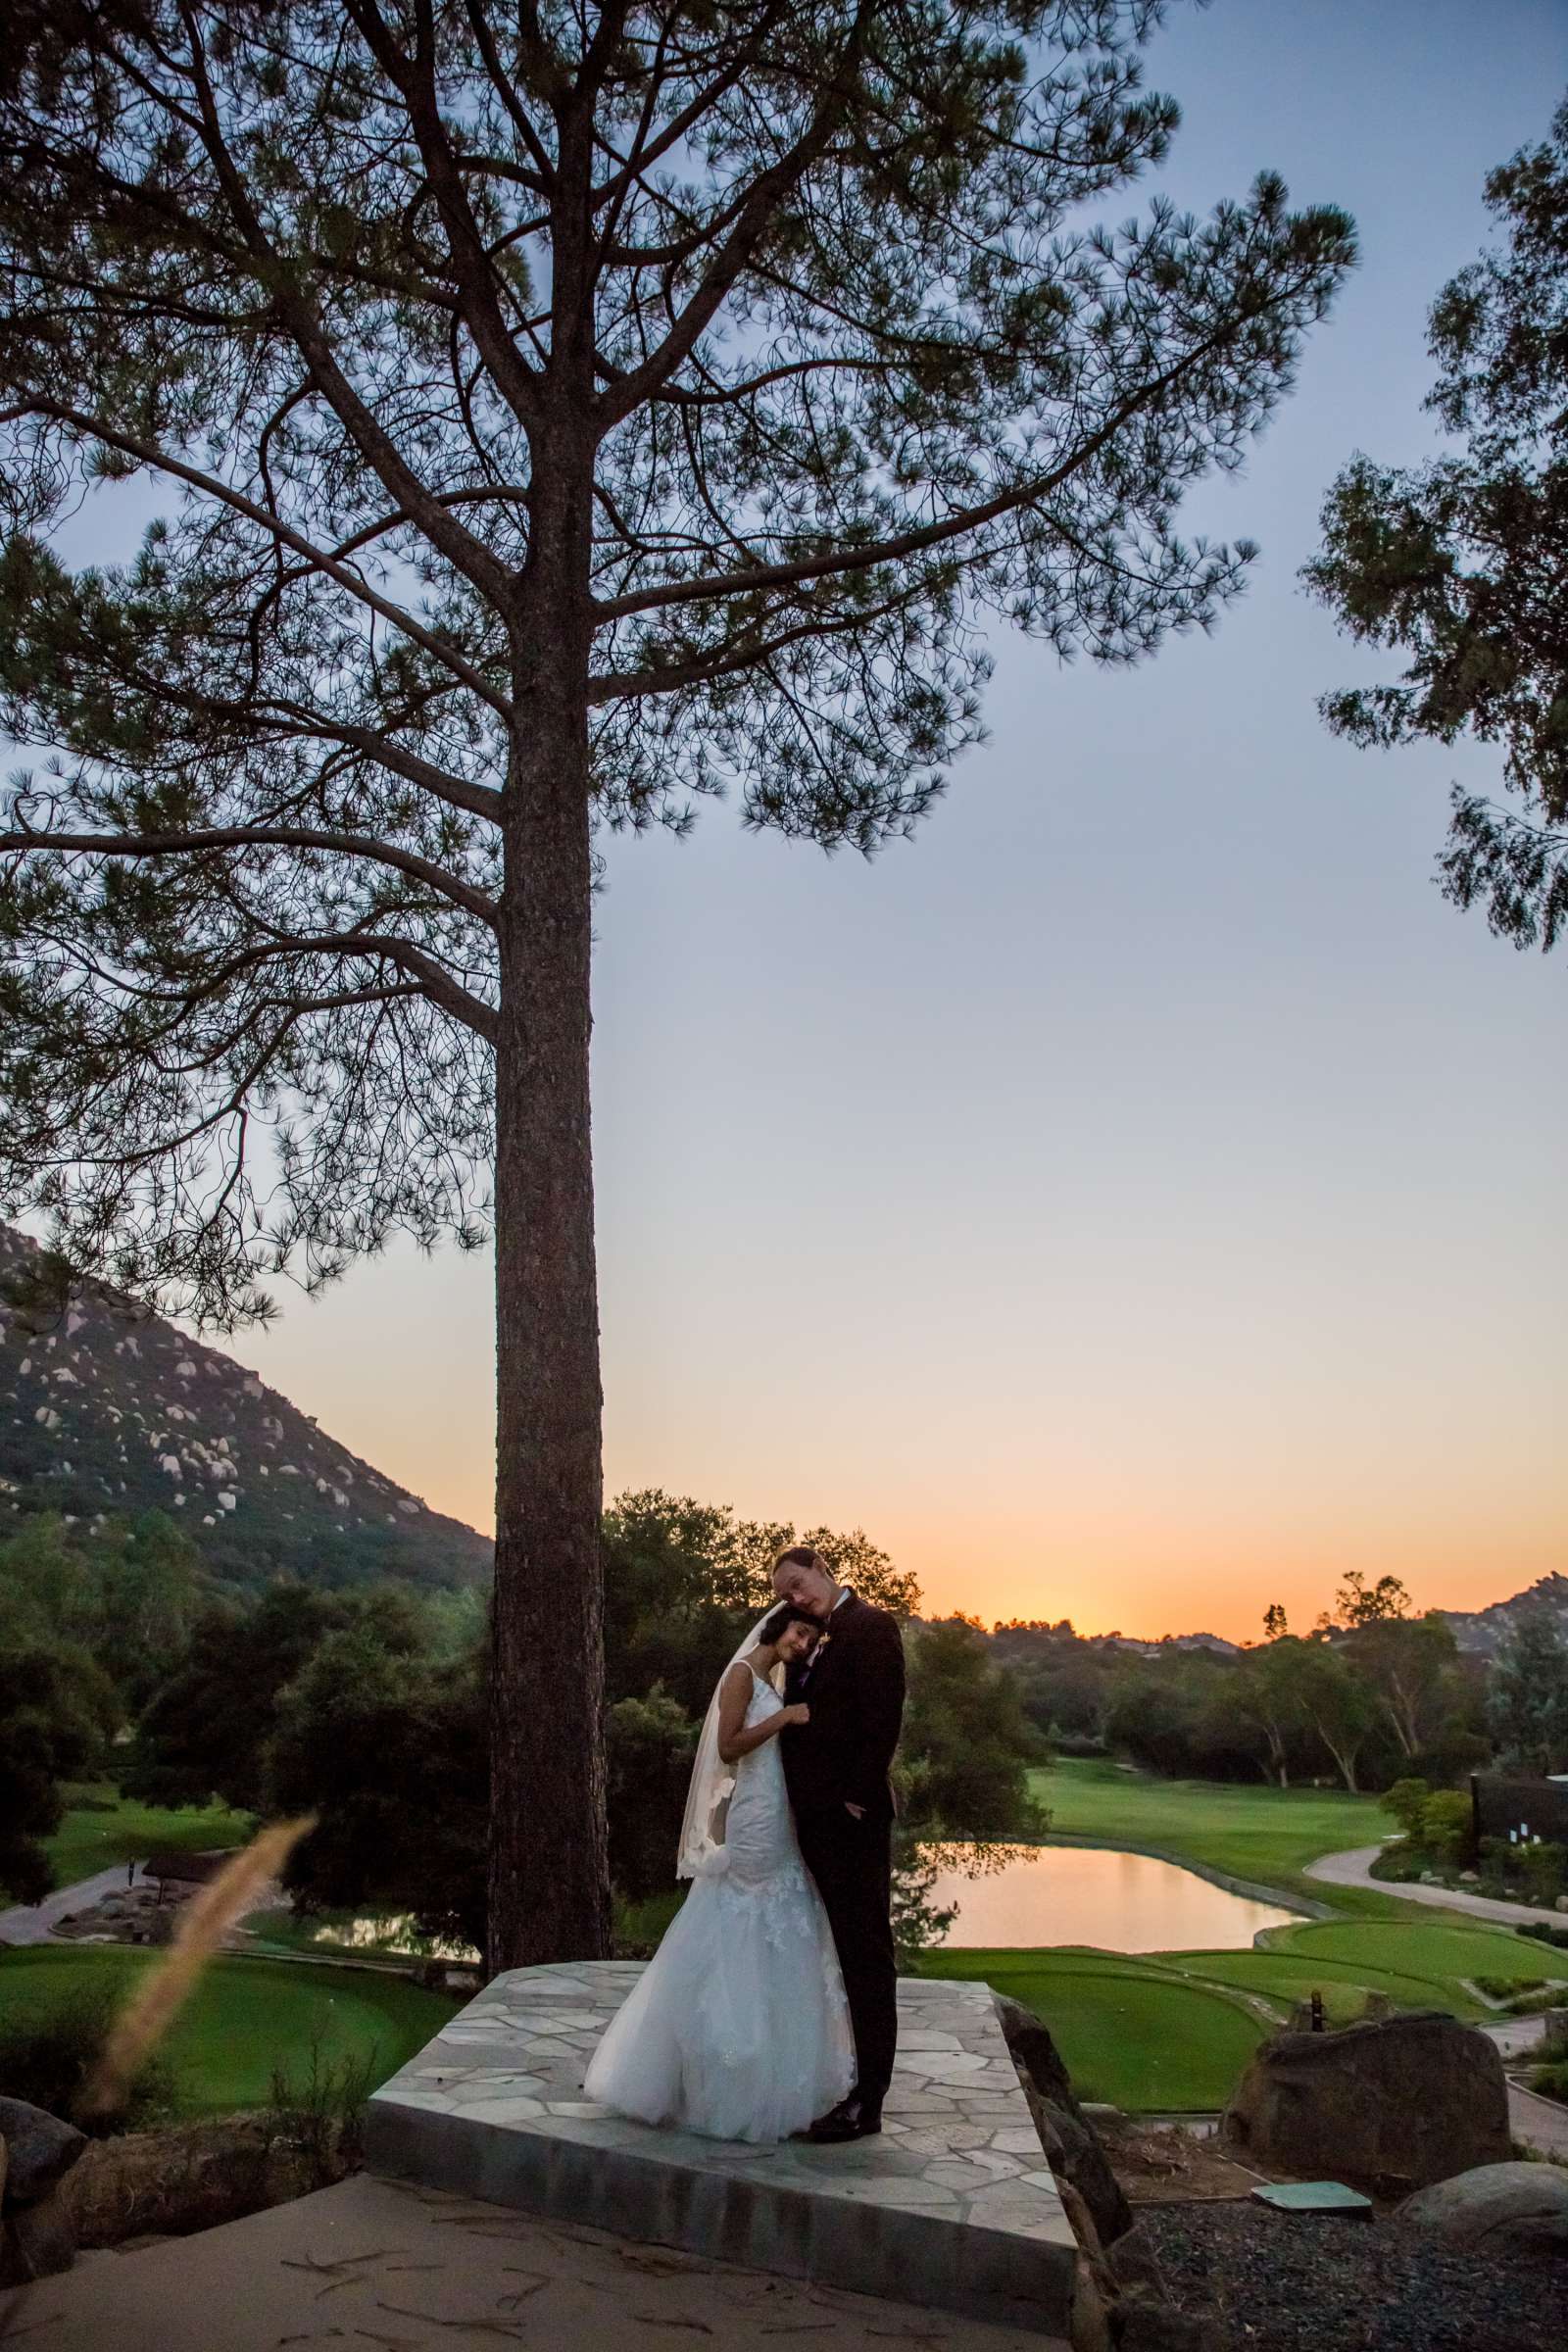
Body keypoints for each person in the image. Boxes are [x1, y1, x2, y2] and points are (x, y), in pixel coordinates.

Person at [583, 1602, 855, 2144]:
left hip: (777, 1810)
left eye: (810, 1640)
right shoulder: (741, 1676)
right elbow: (729, 1746)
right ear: (778, 1627)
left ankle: (775, 2064)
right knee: (746, 1912)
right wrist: (784, 1717)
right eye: (800, 1632)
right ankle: (727, 2061)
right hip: (754, 1812)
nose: (802, 1644)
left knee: (784, 1912)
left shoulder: (770, 1679)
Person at [772, 1544, 906, 2142]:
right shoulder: (810, 1637)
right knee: (834, 1948)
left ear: (823, 1570)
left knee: (865, 1953)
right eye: (787, 1594)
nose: (796, 1598)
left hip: (849, 1817)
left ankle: (868, 2100)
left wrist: (857, 1791)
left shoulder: (870, 1626)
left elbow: (883, 1715)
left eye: (800, 1584)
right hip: (813, 1817)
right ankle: (841, 2075)